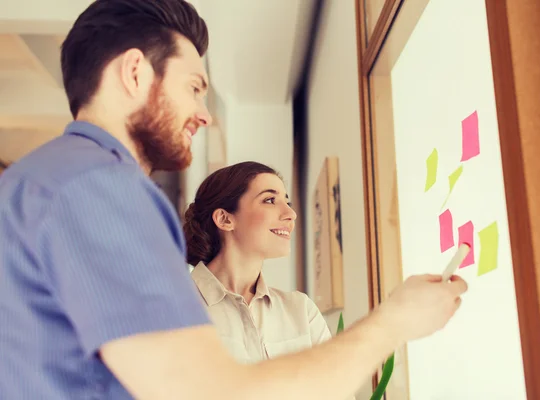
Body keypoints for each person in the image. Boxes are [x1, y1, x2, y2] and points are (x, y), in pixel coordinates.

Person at [0, 1, 468, 399]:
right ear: (136, 72)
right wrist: (394, 323)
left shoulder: (43, 181)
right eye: (195, 87)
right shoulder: (101, 187)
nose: (203, 114)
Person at [183, 161, 334, 364]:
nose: (291, 214)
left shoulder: (301, 311)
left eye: (287, 202)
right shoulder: (173, 307)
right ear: (225, 219)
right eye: (270, 200)